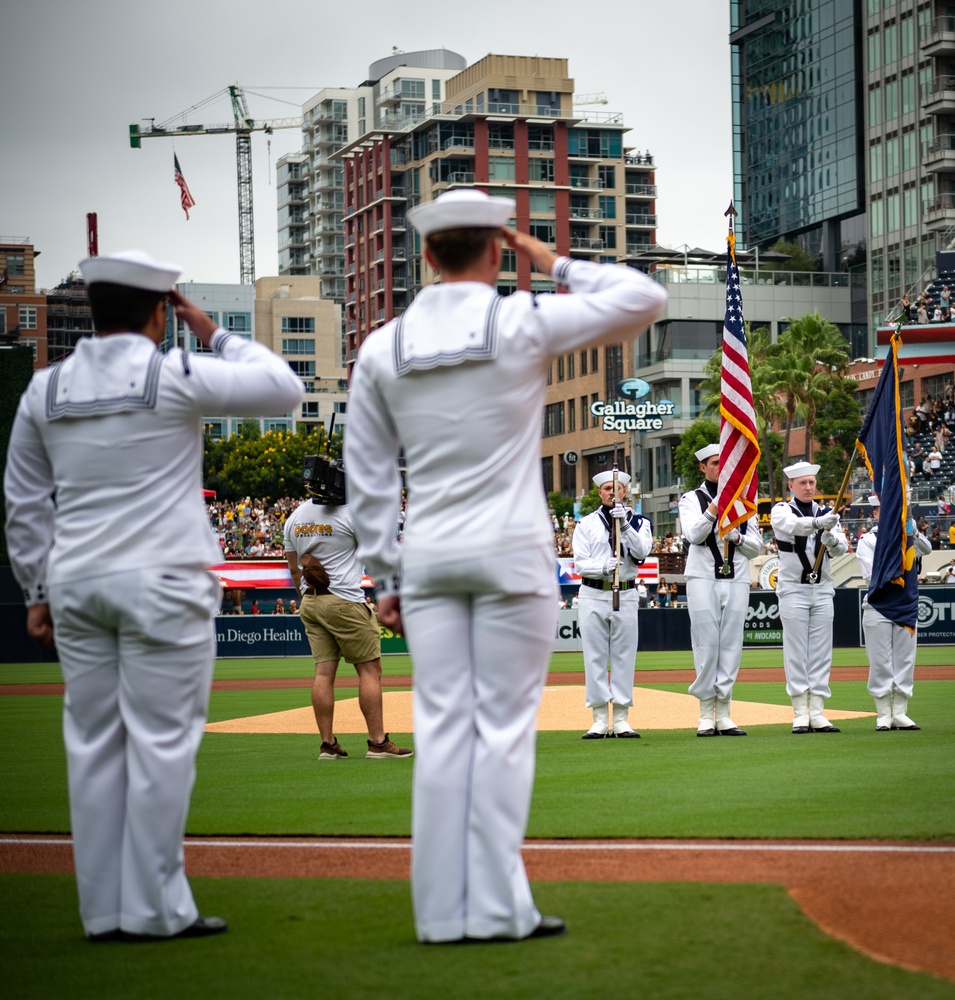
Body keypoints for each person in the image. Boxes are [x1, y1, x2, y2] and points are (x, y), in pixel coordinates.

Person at [342, 189, 666, 944]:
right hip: (511, 555)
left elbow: (367, 476)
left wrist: (386, 575)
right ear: (497, 250)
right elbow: (643, 297)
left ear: (425, 255)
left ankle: (442, 912)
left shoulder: (382, 346)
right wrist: (554, 262)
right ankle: (495, 907)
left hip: (427, 559)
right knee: (503, 736)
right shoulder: (520, 320)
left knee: (445, 729)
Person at [3, 249, 304, 941]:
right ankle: (158, 908)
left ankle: (104, 909)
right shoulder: (176, 371)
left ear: (91, 306)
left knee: (93, 746)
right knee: (162, 746)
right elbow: (283, 387)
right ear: (160, 309)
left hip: (77, 580)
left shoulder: (44, 390)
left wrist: (34, 587)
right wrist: (212, 331)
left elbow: (23, 500)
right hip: (163, 578)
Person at [283, 473, 411, 762]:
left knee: (324, 672)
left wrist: (306, 600)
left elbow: (293, 569)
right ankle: (377, 743)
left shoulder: (295, 517)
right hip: (345, 601)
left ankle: (328, 745)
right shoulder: (352, 514)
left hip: (311, 602)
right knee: (369, 671)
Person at [678, 442, 763, 737]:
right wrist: (716, 508)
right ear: (703, 467)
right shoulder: (691, 499)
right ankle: (705, 712)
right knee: (706, 643)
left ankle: (724, 711)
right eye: (715, 463)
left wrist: (737, 536)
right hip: (702, 576)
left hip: (737, 576)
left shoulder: (743, 501)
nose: (720, 467)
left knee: (731, 644)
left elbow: (757, 548)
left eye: (724, 463)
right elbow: (694, 534)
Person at [573, 470, 654, 739]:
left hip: (627, 593)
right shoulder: (586, 524)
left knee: (624, 655)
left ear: (625, 492)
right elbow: (581, 563)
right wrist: (601, 568)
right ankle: (598, 718)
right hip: (594, 592)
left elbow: (642, 552)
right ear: (599, 492)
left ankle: (620, 717)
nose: (612, 492)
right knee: (594, 656)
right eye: (607, 488)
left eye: (617, 488)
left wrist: (627, 527)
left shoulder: (640, 522)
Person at [770, 461, 849, 734]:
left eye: (811, 483)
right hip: (793, 589)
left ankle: (817, 710)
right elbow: (793, 526)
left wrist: (833, 541)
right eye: (802, 483)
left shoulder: (827, 512)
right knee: (795, 651)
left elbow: (842, 549)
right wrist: (819, 523)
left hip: (823, 589)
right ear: (791, 486)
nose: (808, 487)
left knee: (820, 652)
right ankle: (799, 711)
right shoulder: (781, 510)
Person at [856, 495, 931, 730]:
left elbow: (926, 549)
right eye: (882, 510)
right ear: (876, 514)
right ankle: (883, 713)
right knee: (880, 661)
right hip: (879, 604)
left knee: (905, 660)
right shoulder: (868, 540)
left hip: (905, 602)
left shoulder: (909, 537)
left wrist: (913, 533)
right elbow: (872, 575)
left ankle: (899, 711)